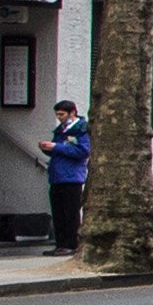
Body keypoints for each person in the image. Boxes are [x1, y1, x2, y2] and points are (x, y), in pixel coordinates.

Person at [41, 100, 91, 253]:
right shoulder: (60, 130)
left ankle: (71, 244)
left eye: (62, 114)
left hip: (72, 177)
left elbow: (83, 151)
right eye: (57, 114)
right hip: (57, 176)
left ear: (72, 113)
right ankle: (60, 243)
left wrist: (57, 147)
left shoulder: (81, 129)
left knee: (70, 212)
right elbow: (60, 150)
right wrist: (48, 149)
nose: (59, 117)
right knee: (58, 212)